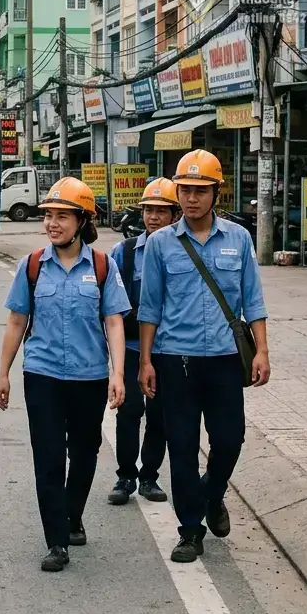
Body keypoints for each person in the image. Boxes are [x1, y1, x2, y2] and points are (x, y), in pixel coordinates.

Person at [137, 149, 270, 564]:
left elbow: (253, 300)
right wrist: (145, 361)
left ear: (217, 193)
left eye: (200, 190)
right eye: (185, 189)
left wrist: (262, 350)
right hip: (176, 360)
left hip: (228, 362)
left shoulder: (239, 239)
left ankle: (213, 493)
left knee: (230, 439)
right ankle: (190, 530)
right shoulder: (160, 244)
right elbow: (150, 308)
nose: (191, 198)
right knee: (181, 447)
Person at [0, 177, 129, 572]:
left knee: (84, 453)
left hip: (89, 376)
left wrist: (118, 374)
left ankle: (72, 515)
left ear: (82, 221)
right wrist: (2, 373)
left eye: (62, 216)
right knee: (49, 458)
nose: (53, 224)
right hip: (43, 375)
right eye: (49, 216)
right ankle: (57, 541)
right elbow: (17, 321)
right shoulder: (32, 266)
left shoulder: (103, 266)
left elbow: (115, 323)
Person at [105, 178, 179, 506]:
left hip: (169, 349)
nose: (153, 217)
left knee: (160, 413)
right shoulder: (124, 252)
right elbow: (109, 302)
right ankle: (125, 476)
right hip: (134, 348)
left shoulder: (183, 252)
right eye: (148, 210)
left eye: (161, 211)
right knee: (129, 409)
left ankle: (149, 476)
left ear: (175, 215)